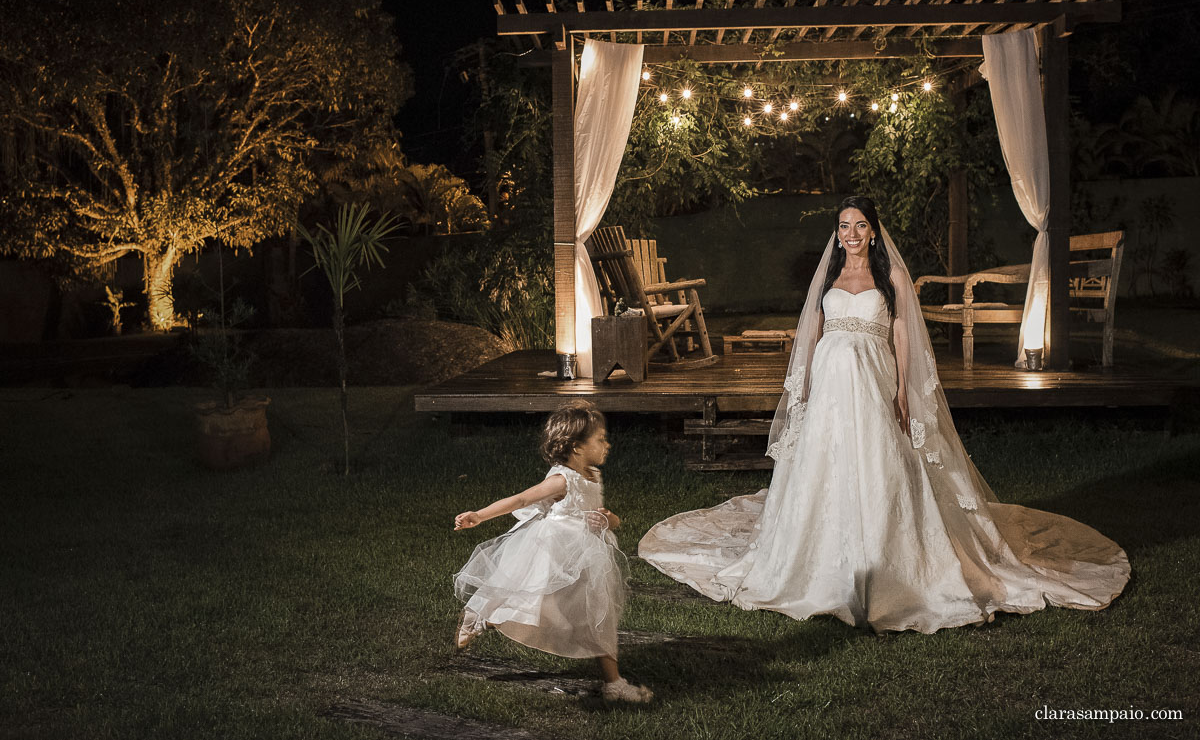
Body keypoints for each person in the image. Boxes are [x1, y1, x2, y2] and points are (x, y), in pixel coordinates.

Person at [639, 196, 1130, 633]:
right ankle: (816, 561)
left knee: (879, 461)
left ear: (873, 230)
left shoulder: (891, 276)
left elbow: (902, 334)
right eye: (843, 226)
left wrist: (900, 390)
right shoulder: (828, 276)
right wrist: (803, 385)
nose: (850, 234)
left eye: (858, 225)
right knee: (824, 465)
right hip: (830, 380)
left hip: (873, 377)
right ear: (837, 233)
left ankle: (893, 559)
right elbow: (810, 333)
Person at [452, 399, 653, 703]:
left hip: (588, 557)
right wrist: (479, 515)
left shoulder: (593, 476)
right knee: (539, 608)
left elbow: (610, 519)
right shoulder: (562, 479)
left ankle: (614, 682)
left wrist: (608, 519)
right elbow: (520, 500)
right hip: (554, 553)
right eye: (600, 439)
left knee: (599, 613)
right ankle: (484, 616)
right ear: (576, 447)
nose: (607, 444)